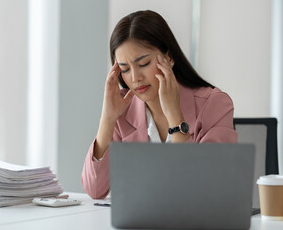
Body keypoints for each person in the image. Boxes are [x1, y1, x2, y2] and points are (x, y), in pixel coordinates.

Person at [82, 10, 237, 199]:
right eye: (125, 69)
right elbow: (95, 189)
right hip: (140, 225)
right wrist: (107, 120)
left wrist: (175, 117)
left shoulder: (215, 104)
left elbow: (208, 189)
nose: (135, 77)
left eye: (144, 63)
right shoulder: (124, 110)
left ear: (169, 57)